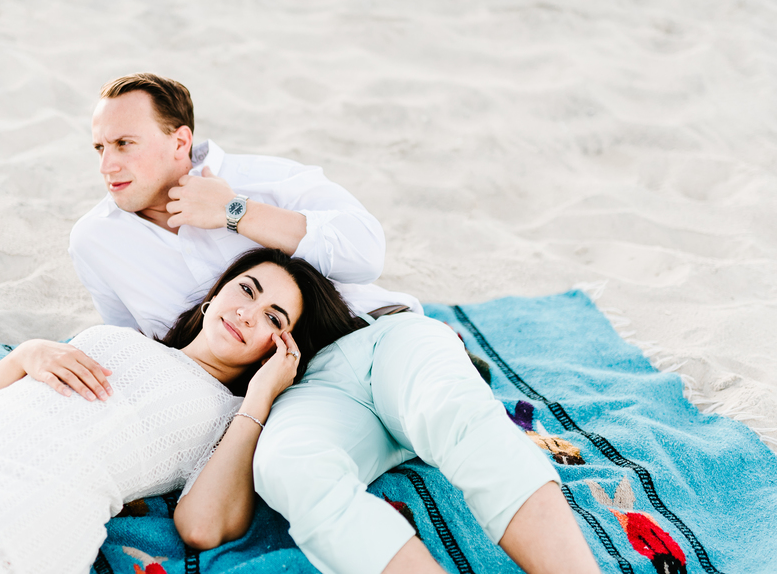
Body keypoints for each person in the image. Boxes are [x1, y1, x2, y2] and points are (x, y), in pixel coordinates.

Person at [57, 73, 601, 574]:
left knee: (452, 415)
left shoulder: (257, 178)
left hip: (380, 337)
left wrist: (236, 213)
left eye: (124, 144)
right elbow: (144, 351)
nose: (107, 165)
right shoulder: (96, 240)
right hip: (297, 394)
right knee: (289, 471)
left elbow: (367, 249)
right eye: (100, 148)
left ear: (179, 143)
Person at [0, 248, 361, 574]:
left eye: (276, 320)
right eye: (248, 289)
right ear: (218, 290)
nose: (249, 312)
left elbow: (202, 527)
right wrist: (27, 355)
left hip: (32, 508)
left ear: (279, 350)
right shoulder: (118, 337)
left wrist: (260, 397)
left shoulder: (229, 417)